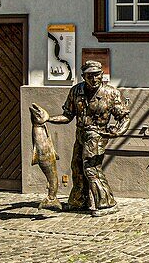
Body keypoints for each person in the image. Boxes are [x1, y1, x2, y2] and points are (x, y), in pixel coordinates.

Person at [32, 60, 130, 215]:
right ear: (84, 76)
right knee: (77, 167)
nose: (94, 79)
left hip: (97, 134)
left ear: (101, 75)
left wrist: (117, 132)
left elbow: (124, 118)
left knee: (91, 168)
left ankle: (107, 204)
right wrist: (48, 118)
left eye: (97, 75)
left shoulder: (111, 93)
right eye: (89, 75)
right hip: (81, 133)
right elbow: (67, 116)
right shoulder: (76, 91)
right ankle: (79, 201)